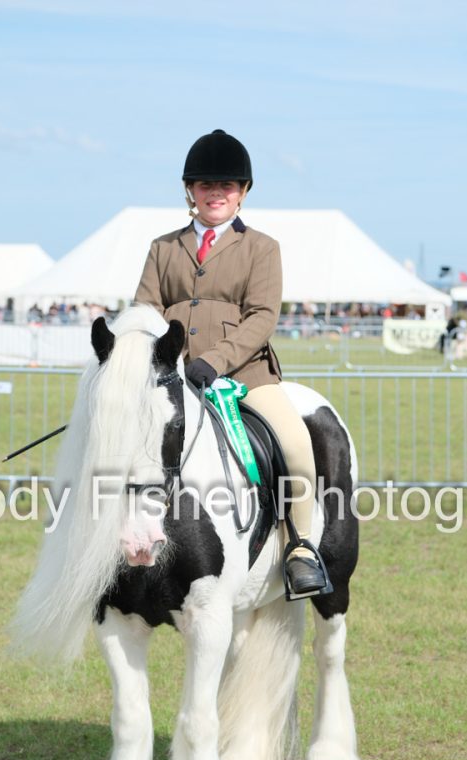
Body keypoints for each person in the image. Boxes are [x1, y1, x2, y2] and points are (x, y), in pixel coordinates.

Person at [135, 128, 329, 597]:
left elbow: (262, 316)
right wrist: (161, 360)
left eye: (227, 185)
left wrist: (216, 360)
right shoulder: (163, 248)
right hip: (175, 378)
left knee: (296, 444)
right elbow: (145, 309)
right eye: (206, 185)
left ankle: (301, 548)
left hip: (245, 375)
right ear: (190, 191)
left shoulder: (262, 247)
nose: (216, 193)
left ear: (242, 192)